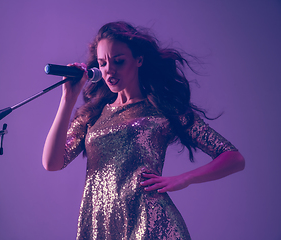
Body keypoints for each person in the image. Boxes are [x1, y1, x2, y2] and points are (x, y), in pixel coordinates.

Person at [42, 21, 245, 240]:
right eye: (102, 63)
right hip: (101, 227)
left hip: (151, 226)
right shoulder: (93, 114)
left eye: (118, 61)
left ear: (139, 60)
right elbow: (52, 163)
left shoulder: (163, 109)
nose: (109, 70)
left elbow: (234, 158)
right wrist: (68, 99)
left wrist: (184, 179)